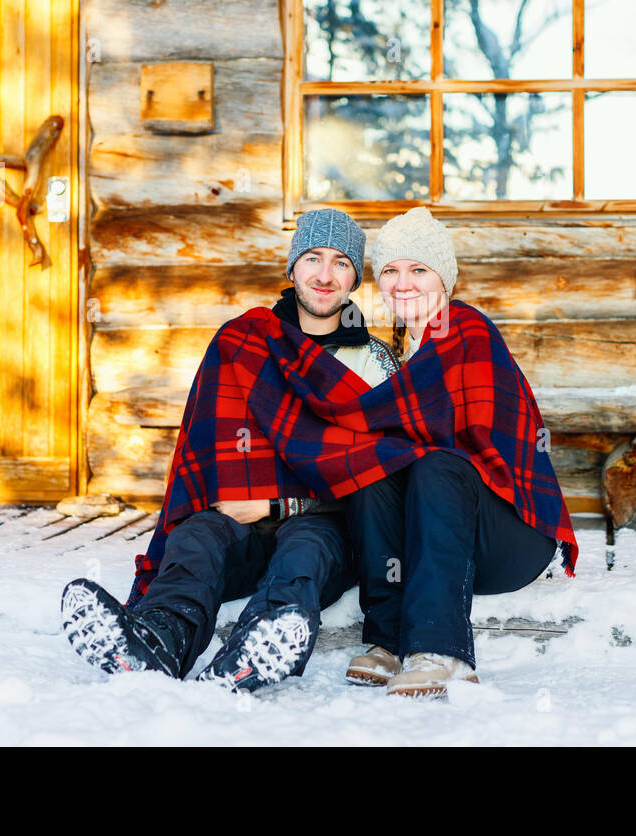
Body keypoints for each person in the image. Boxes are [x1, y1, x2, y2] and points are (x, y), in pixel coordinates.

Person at [60, 208, 397, 692]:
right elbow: (199, 448)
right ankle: (158, 639)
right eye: (314, 258)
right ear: (292, 267)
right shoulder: (243, 341)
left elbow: (377, 474)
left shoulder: (374, 361)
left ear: (355, 278)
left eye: (342, 262)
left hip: (325, 526)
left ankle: (255, 651)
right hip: (238, 523)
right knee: (198, 535)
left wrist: (280, 504)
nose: (325, 275)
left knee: (305, 549)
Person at [343, 207, 577, 697]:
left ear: (444, 278)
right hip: (437, 545)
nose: (403, 283)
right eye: (390, 271)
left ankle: (441, 651)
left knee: (436, 464)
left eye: (419, 270)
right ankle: (386, 643)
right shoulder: (395, 353)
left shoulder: (464, 327)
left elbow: (436, 429)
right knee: (372, 471)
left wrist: (338, 416)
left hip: (513, 536)